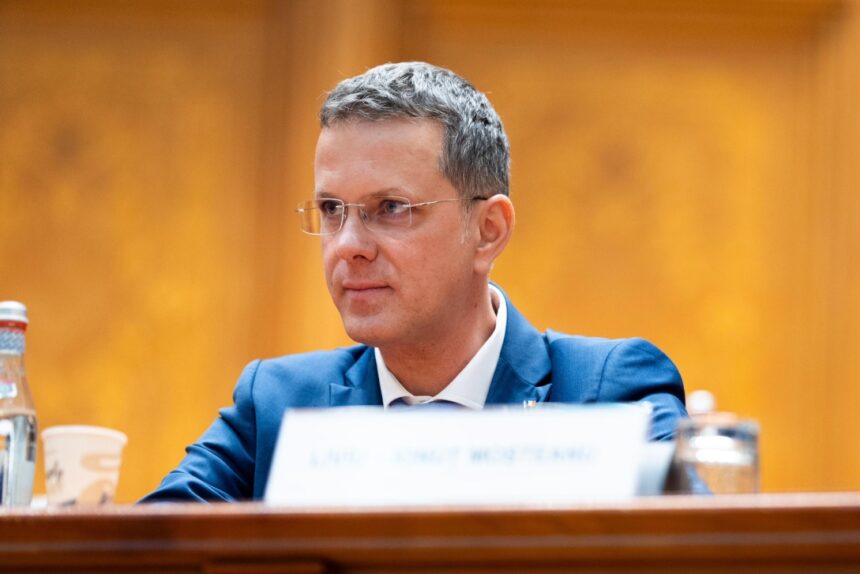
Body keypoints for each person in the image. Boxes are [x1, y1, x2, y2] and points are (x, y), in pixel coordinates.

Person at [142, 62, 687, 502]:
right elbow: (149, 549)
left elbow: (697, 550)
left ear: (488, 230)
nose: (348, 244)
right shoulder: (278, 404)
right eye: (331, 209)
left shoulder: (608, 391)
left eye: (391, 208)